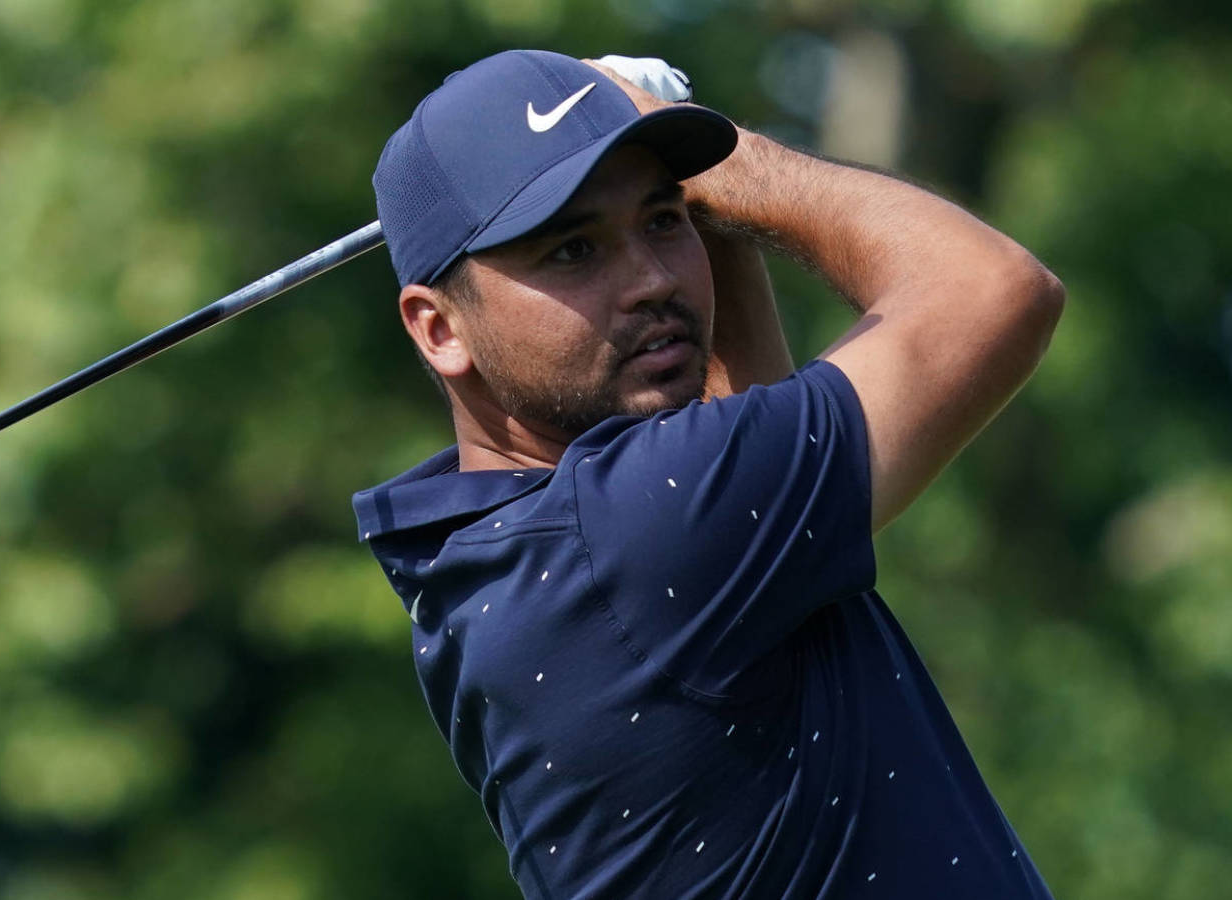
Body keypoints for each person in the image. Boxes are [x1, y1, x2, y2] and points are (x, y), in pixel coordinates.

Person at [352, 49, 1063, 899]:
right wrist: (733, 158)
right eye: (573, 251)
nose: (651, 281)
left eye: (664, 219)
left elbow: (740, 434)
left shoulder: (490, 560)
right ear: (438, 330)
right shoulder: (629, 534)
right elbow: (995, 291)